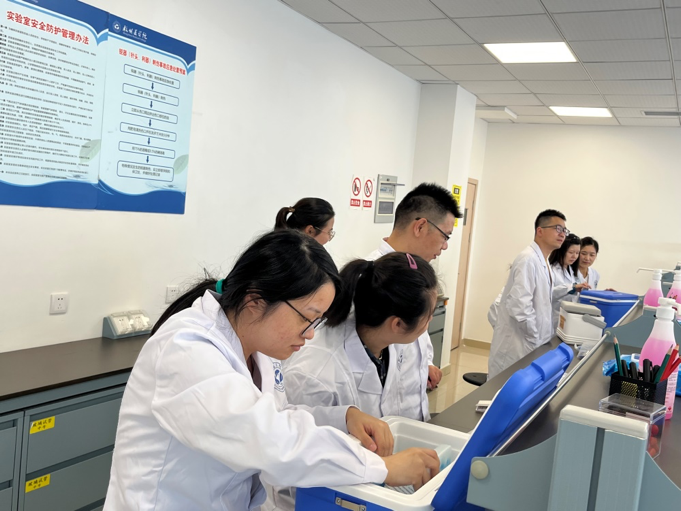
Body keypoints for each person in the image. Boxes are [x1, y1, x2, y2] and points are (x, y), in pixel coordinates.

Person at [104, 230, 439, 510]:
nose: (311, 334)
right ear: (255, 300)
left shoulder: (258, 347)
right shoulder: (187, 349)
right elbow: (269, 439)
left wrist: (343, 417)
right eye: (307, 318)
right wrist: (381, 467)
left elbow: (276, 414)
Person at [264, 252, 438, 511]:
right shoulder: (316, 371)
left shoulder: (386, 340)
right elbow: (296, 469)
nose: (430, 321)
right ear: (398, 324)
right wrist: (382, 468)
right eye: (429, 315)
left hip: (365, 488)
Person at [366, 183, 462, 398]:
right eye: (445, 236)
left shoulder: (415, 272)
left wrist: (425, 362)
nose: (445, 246)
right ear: (420, 227)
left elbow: (415, 333)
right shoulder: (370, 277)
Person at [488, 210, 568, 379]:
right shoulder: (528, 259)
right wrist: (535, 337)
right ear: (540, 231)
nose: (562, 234)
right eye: (558, 229)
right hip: (519, 345)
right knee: (504, 387)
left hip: (532, 343)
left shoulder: (543, 261)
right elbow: (519, 306)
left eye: (564, 230)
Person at [549, 234, 590, 331]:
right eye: (571, 252)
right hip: (553, 319)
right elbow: (548, 294)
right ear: (561, 250)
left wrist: (602, 293)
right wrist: (572, 287)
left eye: (577, 253)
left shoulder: (573, 272)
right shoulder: (551, 270)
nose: (574, 256)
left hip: (570, 320)